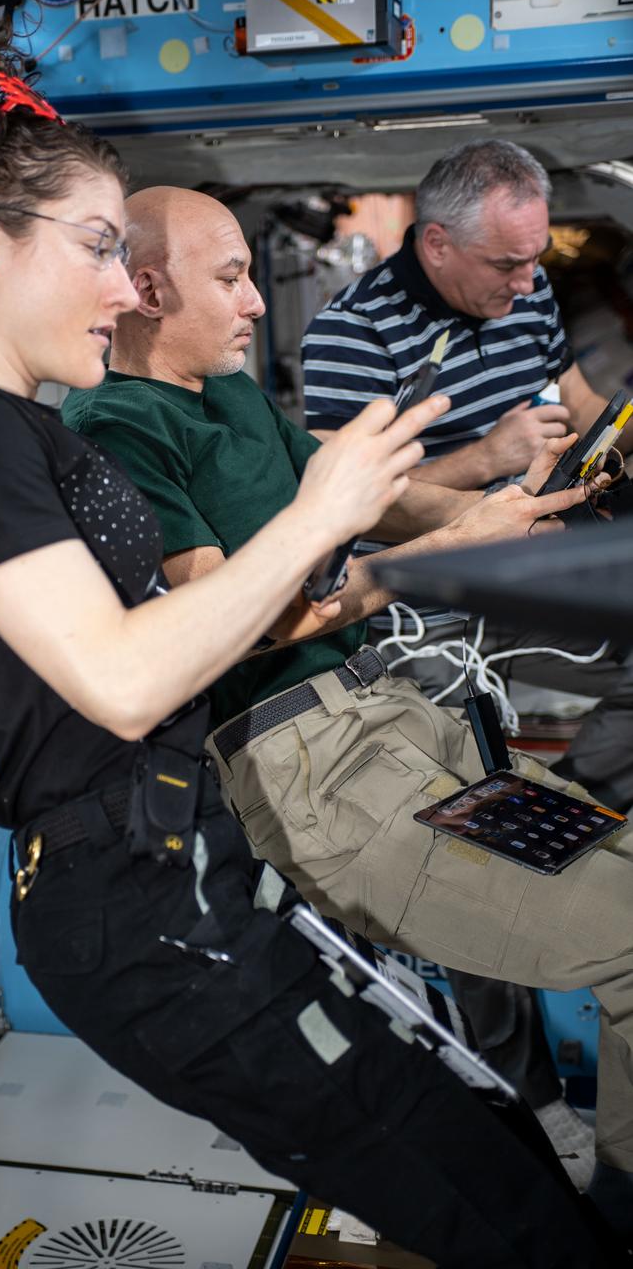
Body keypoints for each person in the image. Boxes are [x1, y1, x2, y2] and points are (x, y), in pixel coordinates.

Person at [0, 39, 616, 1269]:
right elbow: (123, 678)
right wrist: (321, 517)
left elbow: (198, 631)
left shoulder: (21, 426)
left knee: (487, 1144)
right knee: (481, 1196)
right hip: (131, 905)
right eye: (97, 246)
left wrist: (427, 524)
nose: (124, 287)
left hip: (196, 862)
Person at [61, 183, 633, 1242]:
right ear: (146, 290)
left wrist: (512, 510)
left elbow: (370, 501)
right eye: (231, 278)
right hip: (313, 770)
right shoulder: (114, 429)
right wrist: (439, 554)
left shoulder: (229, 395)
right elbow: (227, 622)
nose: (254, 303)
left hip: (395, 725)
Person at [301, 138, 633, 1172]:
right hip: (426, 597)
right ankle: (528, 1091)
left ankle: (584, 810)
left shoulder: (521, 291)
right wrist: (488, 465)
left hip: (534, 558)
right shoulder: (352, 333)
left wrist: (614, 433)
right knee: (470, 834)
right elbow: (359, 502)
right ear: (436, 243)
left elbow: (573, 402)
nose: (529, 282)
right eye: (507, 264)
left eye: (537, 260)